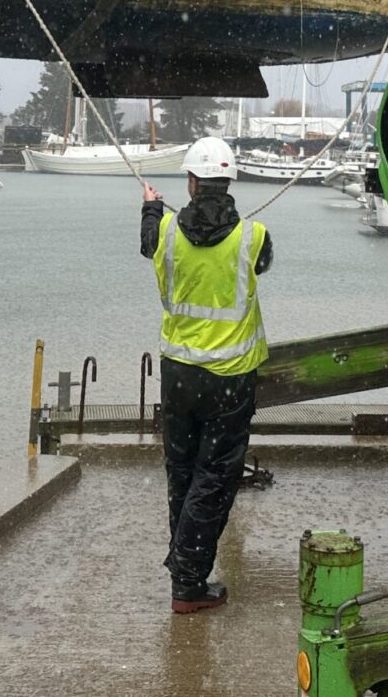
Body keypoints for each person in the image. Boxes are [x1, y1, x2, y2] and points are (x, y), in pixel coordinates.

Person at [139, 136, 273, 614]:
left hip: (178, 375)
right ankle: (188, 581)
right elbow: (263, 263)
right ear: (229, 181)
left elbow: (147, 244)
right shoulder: (253, 237)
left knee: (182, 471)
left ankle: (185, 570)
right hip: (230, 378)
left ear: (192, 183)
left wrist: (151, 209)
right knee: (214, 477)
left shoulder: (169, 233)